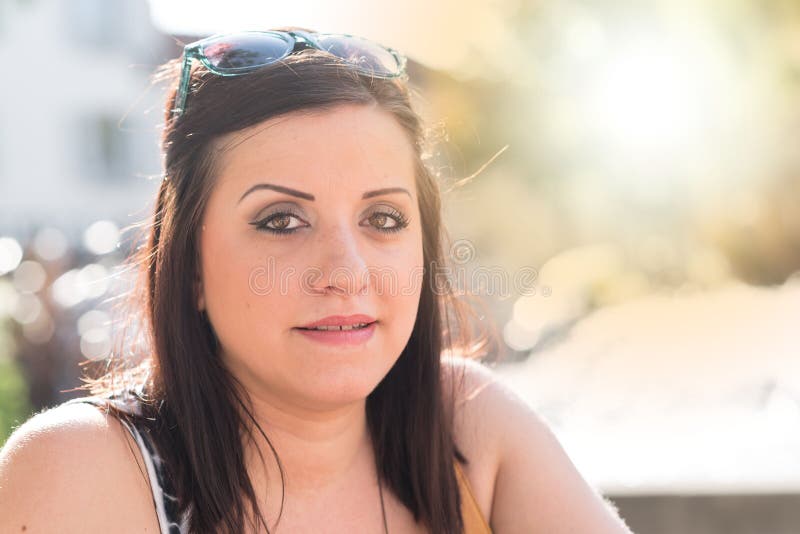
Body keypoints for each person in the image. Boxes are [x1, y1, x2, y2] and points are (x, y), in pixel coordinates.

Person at [0, 26, 634, 534]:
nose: (347, 272)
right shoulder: (85, 472)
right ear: (190, 266)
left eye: (383, 218)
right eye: (281, 221)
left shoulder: (467, 428)